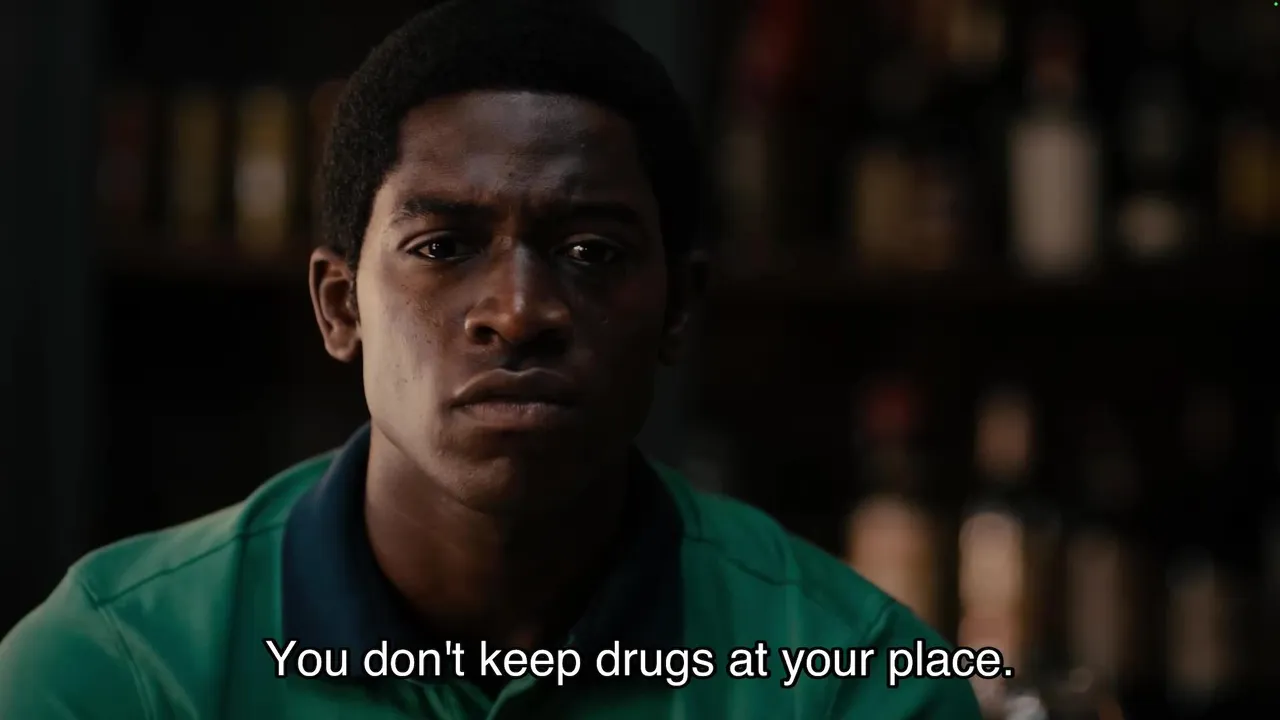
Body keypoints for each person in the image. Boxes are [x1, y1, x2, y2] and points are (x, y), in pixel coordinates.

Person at [0, 1, 983, 717]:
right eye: (441, 247)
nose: (518, 313)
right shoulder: (120, 670)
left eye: (591, 252)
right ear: (340, 305)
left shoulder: (853, 684)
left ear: (678, 310)